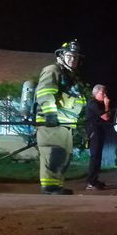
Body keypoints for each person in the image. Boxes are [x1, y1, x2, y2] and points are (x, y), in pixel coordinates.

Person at [35, 39, 86, 194]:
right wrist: (50, 113)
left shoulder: (72, 77)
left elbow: (78, 101)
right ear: (61, 55)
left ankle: (56, 186)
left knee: (63, 158)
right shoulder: (53, 70)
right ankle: (49, 187)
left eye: (75, 57)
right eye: (70, 56)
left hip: (66, 124)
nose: (73, 59)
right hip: (52, 122)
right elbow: (45, 92)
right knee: (53, 155)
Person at [84, 84, 111, 190]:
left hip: (100, 131)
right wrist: (107, 105)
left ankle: (95, 179)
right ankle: (90, 181)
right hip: (94, 132)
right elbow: (106, 117)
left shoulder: (99, 104)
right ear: (96, 93)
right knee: (94, 156)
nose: (104, 95)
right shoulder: (93, 103)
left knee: (98, 157)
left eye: (105, 92)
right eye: (102, 93)